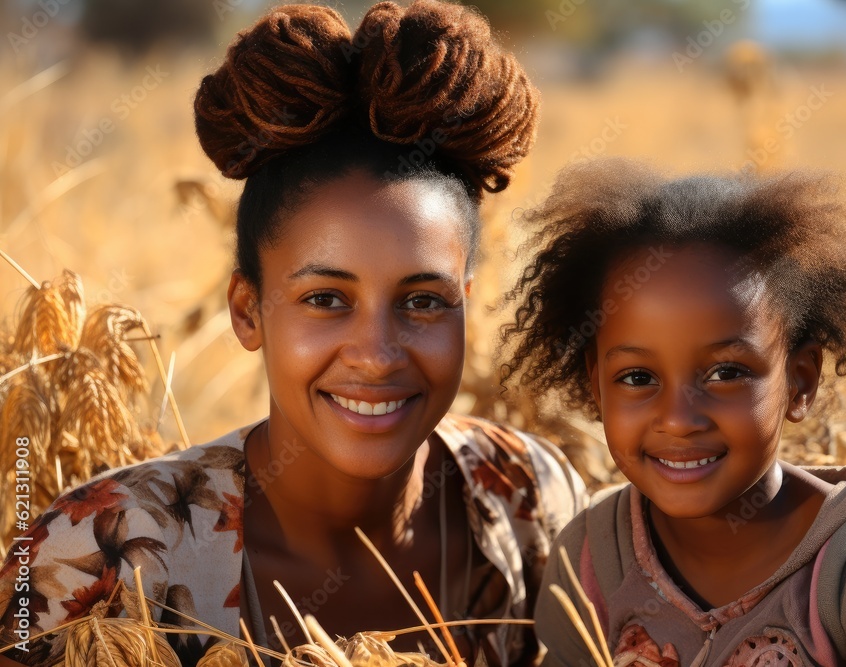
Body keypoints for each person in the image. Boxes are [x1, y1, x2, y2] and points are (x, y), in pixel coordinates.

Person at [0, 3, 586, 665]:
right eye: (327, 298)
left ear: (466, 306)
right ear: (248, 310)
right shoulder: (98, 557)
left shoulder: (529, 497)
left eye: (422, 300)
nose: (376, 352)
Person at [501, 159, 846, 666]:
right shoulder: (592, 561)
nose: (680, 419)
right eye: (638, 378)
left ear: (800, 381)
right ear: (597, 386)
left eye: (726, 373)